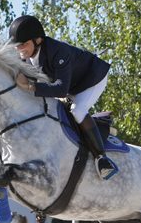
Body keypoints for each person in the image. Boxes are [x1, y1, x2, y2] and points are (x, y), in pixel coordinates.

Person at [9, 15, 118, 180]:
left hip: (92, 79)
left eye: (24, 44)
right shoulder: (23, 56)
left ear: (37, 40)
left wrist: (30, 86)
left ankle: (101, 158)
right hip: (71, 84)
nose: (20, 50)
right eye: (17, 46)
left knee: (77, 110)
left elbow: (60, 89)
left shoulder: (58, 51)